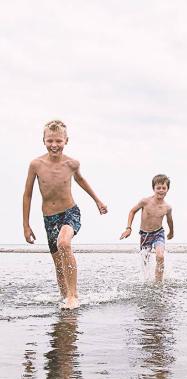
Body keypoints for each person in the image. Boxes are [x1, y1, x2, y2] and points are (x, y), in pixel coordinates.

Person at [23, 120, 107, 309]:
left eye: (58, 141)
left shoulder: (72, 164)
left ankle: (72, 295)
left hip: (70, 212)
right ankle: (65, 297)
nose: (54, 145)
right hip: (49, 218)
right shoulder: (36, 164)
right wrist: (26, 225)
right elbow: (27, 194)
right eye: (50, 140)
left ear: (66, 141)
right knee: (58, 263)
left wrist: (98, 201)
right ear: (43, 140)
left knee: (64, 243)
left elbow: (81, 180)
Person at [120, 174, 174, 281]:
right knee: (145, 261)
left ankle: (158, 283)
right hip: (145, 235)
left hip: (159, 233)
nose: (161, 190)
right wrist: (128, 228)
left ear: (168, 189)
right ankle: (146, 280)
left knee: (160, 256)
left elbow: (169, 220)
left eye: (164, 188)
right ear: (153, 188)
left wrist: (171, 232)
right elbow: (132, 211)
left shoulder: (167, 207)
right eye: (158, 188)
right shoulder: (145, 201)